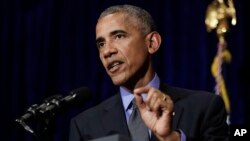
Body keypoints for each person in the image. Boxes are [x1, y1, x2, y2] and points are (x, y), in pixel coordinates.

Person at [69, 4, 229, 141]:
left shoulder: (204, 107)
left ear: (152, 43)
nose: (107, 51)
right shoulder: (84, 125)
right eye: (101, 44)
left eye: (118, 36)